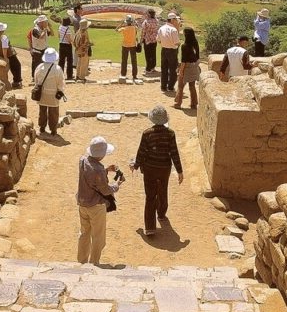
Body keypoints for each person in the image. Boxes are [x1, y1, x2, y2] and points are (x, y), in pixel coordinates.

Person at [130, 106, 183, 237]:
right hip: (164, 168)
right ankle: (161, 213)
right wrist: (180, 171)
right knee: (163, 190)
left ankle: (150, 228)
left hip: (150, 168)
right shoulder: (170, 133)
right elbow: (174, 152)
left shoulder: (147, 133)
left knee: (150, 196)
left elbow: (141, 151)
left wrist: (136, 165)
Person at [77, 136, 124, 265]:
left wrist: (106, 170)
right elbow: (105, 190)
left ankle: (81, 261)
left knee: (84, 233)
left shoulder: (82, 160)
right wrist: (117, 184)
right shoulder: (98, 170)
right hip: (96, 206)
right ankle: (94, 263)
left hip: (82, 203)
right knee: (98, 236)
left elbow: (90, 174)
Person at [33, 47, 65, 136]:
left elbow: (36, 80)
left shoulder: (39, 67)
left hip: (42, 93)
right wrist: (60, 91)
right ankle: (53, 130)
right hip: (53, 94)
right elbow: (61, 82)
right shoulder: (58, 69)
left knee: (42, 111)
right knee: (54, 113)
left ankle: (42, 127)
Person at [173, 27, 200, 109]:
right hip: (194, 66)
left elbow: (184, 61)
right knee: (192, 86)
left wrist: (181, 71)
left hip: (187, 67)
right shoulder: (195, 43)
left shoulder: (184, 46)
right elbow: (197, 56)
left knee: (180, 86)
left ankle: (178, 103)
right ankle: (194, 103)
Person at [0, 22, 23, 89]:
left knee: (13, 67)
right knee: (17, 66)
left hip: (1, 55)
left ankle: (16, 82)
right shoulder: (4, 37)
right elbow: (4, 48)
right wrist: (5, 57)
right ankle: (17, 82)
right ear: (3, 30)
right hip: (9, 55)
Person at [157, 13, 181, 92]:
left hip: (164, 50)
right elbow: (176, 42)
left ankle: (163, 86)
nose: (176, 21)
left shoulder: (161, 28)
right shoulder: (173, 30)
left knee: (164, 69)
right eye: (175, 20)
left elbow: (159, 40)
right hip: (172, 51)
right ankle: (170, 86)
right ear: (172, 20)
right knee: (173, 69)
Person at [117, 14, 140, 82]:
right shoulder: (134, 28)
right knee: (134, 61)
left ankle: (123, 74)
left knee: (124, 61)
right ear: (131, 21)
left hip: (125, 46)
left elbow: (116, 30)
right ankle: (134, 75)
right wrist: (135, 22)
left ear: (126, 22)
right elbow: (138, 27)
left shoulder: (124, 28)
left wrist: (121, 23)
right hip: (133, 46)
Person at [140, 8, 161, 73]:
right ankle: (153, 67)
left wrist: (141, 41)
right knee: (153, 54)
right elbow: (157, 30)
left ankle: (148, 68)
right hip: (154, 40)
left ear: (148, 14)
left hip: (147, 40)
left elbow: (143, 32)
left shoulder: (146, 22)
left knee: (148, 54)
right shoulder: (156, 21)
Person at [56, 16, 75, 80]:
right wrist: (73, 42)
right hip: (67, 45)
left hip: (61, 44)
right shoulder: (68, 29)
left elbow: (59, 36)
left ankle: (59, 75)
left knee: (61, 61)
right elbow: (69, 39)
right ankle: (69, 75)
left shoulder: (60, 27)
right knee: (69, 61)